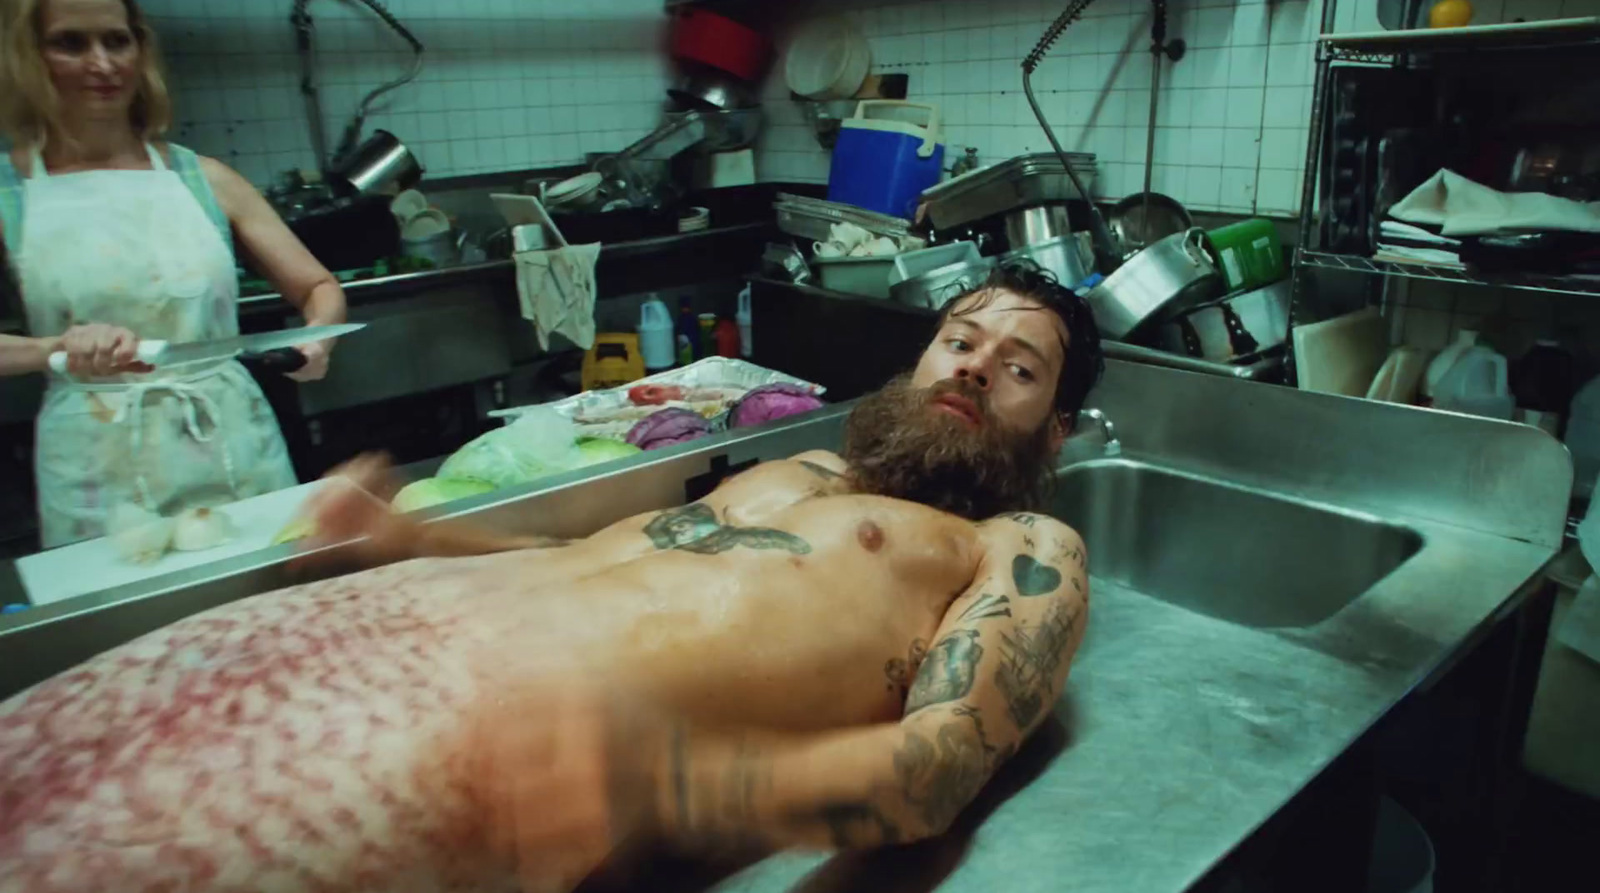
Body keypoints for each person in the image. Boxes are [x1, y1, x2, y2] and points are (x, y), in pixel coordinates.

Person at [0, 263, 1105, 893]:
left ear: (1051, 430)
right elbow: (590, 564)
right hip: (374, 623)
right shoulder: (796, 465)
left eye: (1015, 366)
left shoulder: (1015, 545)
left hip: (477, 730)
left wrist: (662, 782)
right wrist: (410, 540)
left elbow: (940, 764)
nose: (968, 362)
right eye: (958, 338)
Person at [0, 0, 349, 547]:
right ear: (28, 56)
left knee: (276, 607)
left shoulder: (204, 178)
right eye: (71, 43)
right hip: (96, 458)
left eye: (116, 41)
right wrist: (53, 348)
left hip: (231, 437)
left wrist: (318, 341)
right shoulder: (8, 191)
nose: (102, 63)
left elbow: (317, 287)